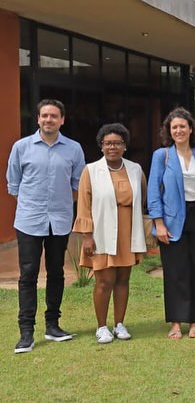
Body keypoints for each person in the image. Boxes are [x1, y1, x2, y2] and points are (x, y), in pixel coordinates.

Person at [7, 99, 85, 354]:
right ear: (38, 119)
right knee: (27, 275)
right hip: (29, 221)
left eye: (53, 116)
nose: (48, 119)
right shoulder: (21, 147)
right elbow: (14, 185)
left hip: (60, 221)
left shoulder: (73, 149)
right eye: (44, 116)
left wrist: (60, 204)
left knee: (56, 272)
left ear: (62, 119)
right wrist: (33, 205)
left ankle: (53, 325)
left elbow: (78, 186)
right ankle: (26, 333)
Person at [73, 123, 147, 344]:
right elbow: (84, 204)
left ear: (125, 146)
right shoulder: (91, 170)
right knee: (104, 281)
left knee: (123, 279)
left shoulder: (135, 169)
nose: (112, 147)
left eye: (117, 143)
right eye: (107, 143)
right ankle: (102, 327)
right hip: (101, 232)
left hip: (127, 231)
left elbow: (142, 197)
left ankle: (120, 324)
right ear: (101, 146)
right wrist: (87, 235)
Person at [147, 107, 195, 340]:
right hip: (172, 219)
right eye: (174, 127)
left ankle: (194, 321)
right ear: (169, 131)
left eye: (183, 126)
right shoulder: (161, 155)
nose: (179, 130)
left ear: (190, 128)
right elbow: (154, 190)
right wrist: (159, 223)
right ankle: (175, 322)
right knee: (175, 271)